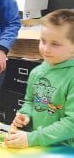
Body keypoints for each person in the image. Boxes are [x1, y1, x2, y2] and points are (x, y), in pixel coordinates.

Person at [5, 9, 74, 148]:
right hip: (37, 144)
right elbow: (30, 102)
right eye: (43, 41)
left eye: (55, 44)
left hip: (64, 149)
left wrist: (32, 138)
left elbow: (71, 124)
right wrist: (25, 115)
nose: (46, 49)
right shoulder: (37, 72)